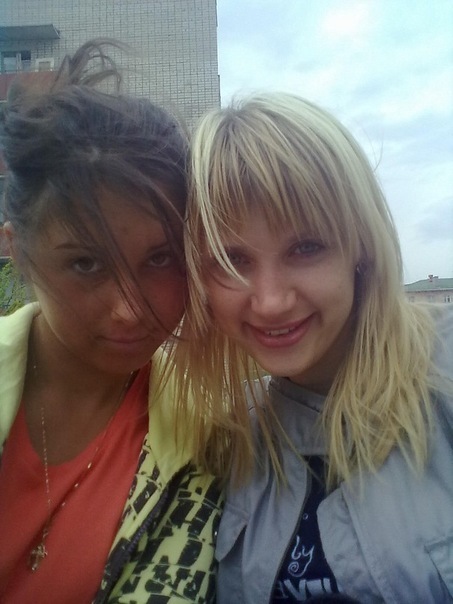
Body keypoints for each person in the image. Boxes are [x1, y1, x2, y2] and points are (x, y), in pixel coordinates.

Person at [180, 92, 453, 603]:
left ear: (361, 246)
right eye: (232, 260)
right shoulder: (224, 436)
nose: (271, 302)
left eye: (306, 248)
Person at [0, 39, 223, 603]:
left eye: (161, 258)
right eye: (85, 263)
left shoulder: (212, 432)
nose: (130, 308)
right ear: (17, 251)